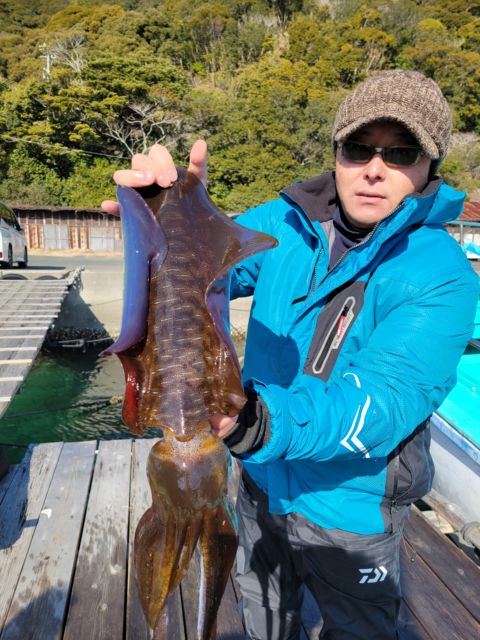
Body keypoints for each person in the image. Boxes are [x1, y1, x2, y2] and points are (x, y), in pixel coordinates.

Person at [102, 70, 479, 639]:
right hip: (258, 483)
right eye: (359, 148)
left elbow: (384, 402)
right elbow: (202, 280)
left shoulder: (441, 275)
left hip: (351, 510)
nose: (374, 169)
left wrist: (257, 422)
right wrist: (166, 218)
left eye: (401, 153)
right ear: (338, 153)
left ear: (431, 165)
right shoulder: (283, 224)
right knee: (264, 617)